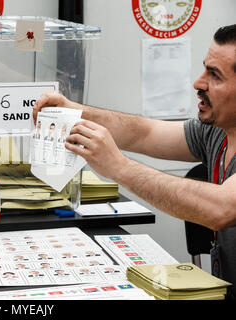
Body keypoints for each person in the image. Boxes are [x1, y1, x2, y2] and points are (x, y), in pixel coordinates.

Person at [34, 24, 236, 300]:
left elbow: (220, 208)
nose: (199, 83)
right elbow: (144, 132)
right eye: (204, 69)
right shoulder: (217, 131)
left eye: (215, 75)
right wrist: (74, 111)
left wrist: (118, 167)